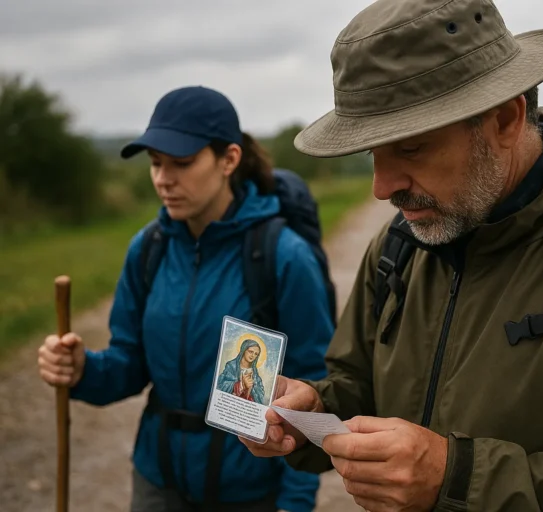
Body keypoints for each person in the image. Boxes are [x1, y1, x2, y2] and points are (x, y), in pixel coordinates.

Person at [240, 0, 543, 511]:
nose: (382, 188)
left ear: (504, 119)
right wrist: (314, 411)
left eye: (410, 149)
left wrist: (453, 478)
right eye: (372, 153)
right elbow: (357, 385)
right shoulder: (399, 246)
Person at [36, 85, 334, 512]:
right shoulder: (149, 249)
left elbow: (314, 385)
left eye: (181, 163)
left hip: (248, 492)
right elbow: (130, 363)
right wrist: (83, 370)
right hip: (158, 484)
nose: (162, 178)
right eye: (156, 164)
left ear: (229, 159)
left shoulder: (283, 256)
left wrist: (295, 501)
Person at [217, 338, 267, 404]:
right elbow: (220, 385)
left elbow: (261, 393)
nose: (253, 355)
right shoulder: (231, 366)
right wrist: (242, 384)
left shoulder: (255, 373)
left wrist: (252, 387)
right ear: (244, 350)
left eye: (256, 354)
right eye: (250, 351)